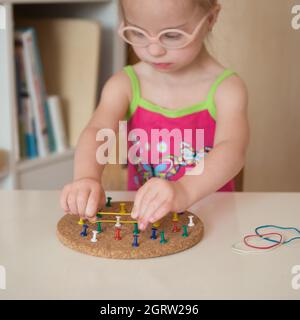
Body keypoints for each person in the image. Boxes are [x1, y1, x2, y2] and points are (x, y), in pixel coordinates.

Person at [60, 0, 250, 231]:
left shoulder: (227, 88)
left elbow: (232, 150)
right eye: (137, 33)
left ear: (210, 19)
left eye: (171, 35)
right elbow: (97, 130)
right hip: (147, 225)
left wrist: (184, 190)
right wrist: (86, 177)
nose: (154, 50)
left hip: (214, 221)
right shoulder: (125, 84)